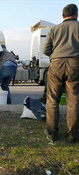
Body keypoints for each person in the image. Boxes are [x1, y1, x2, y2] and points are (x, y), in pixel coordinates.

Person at [42, 4, 79, 143]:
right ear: (76, 14)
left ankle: (52, 132)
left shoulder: (54, 29)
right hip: (75, 64)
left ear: (63, 16)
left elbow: (45, 49)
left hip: (56, 64)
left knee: (52, 99)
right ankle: (73, 134)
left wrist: (56, 56)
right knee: (74, 100)